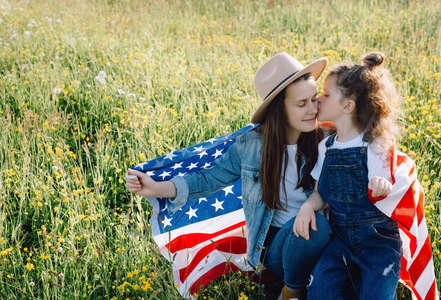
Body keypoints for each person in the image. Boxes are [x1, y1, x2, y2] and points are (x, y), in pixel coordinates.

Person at [126, 52, 331, 300]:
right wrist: (156, 188)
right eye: (301, 104)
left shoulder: (327, 140)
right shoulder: (252, 146)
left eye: (314, 99)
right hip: (278, 244)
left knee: (329, 253)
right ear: (279, 109)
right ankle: (291, 290)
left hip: (324, 240)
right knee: (315, 227)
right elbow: (208, 179)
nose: (313, 109)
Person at [298, 52, 403, 300]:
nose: (318, 100)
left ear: (347, 106)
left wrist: (381, 184)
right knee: (319, 292)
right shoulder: (327, 147)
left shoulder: (375, 143)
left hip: (378, 242)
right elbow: (320, 193)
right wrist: (308, 206)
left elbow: (385, 183)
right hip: (341, 239)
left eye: (325, 95)